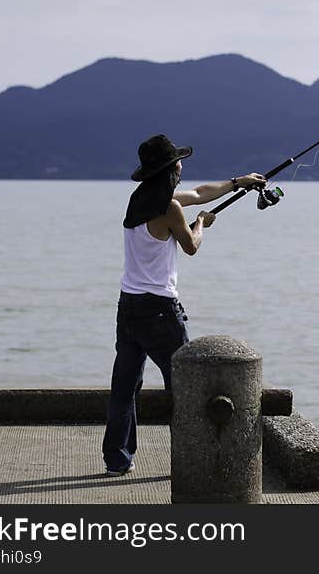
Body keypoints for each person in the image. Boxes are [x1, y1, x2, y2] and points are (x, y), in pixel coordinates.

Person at [102, 134, 266, 476]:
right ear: (169, 169)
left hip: (128, 306)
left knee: (124, 388)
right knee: (187, 386)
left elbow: (200, 193)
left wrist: (240, 183)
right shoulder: (169, 207)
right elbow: (191, 245)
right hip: (160, 310)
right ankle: (193, 460)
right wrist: (202, 224)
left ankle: (117, 460)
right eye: (177, 162)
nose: (181, 166)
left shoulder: (139, 201)